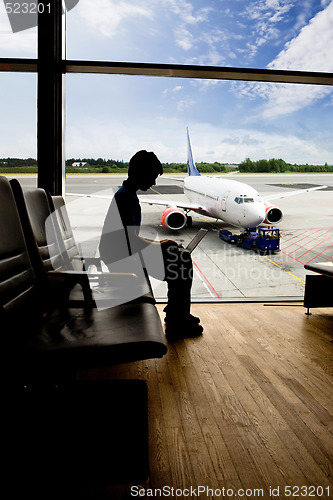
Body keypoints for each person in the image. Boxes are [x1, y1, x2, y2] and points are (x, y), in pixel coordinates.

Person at [99, 149, 203, 340]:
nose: (154, 183)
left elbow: (128, 238)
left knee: (178, 257)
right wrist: (158, 245)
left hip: (122, 253)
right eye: (152, 177)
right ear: (141, 173)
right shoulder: (125, 198)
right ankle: (176, 323)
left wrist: (158, 245)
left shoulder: (127, 194)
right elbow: (128, 241)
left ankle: (177, 315)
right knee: (181, 263)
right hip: (121, 259)